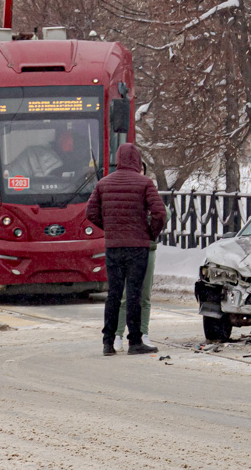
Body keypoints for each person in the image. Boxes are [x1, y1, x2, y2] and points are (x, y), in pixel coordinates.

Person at [86, 142, 166, 356]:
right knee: (134, 294)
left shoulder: (104, 183)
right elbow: (160, 213)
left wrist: (110, 228)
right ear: (137, 161)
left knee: (113, 294)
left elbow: (90, 213)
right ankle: (135, 342)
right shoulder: (144, 183)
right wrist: (150, 233)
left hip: (113, 247)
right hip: (137, 247)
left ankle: (107, 343)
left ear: (118, 160)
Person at [113, 159, 157, 352]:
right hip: (129, 247)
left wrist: (150, 232)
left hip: (148, 249)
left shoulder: (149, 189)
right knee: (124, 295)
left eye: (142, 171)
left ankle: (143, 333)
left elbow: (164, 213)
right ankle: (118, 334)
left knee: (144, 295)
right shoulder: (126, 192)